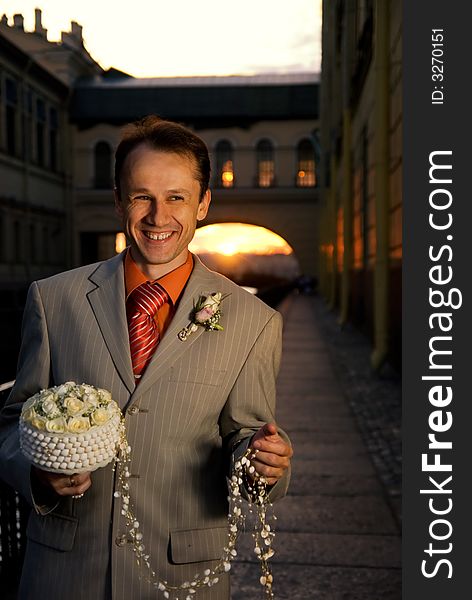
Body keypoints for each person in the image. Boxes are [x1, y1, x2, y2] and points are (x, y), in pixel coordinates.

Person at [0, 116, 292, 600]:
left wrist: (263, 463)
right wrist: (38, 473)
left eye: (177, 197)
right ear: (119, 201)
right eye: (142, 196)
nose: (159, 217)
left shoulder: (253, 320)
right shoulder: (54, 300)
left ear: (203, 203)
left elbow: (245, 437)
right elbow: (13, 423)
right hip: (64, 571)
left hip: (179, 575)